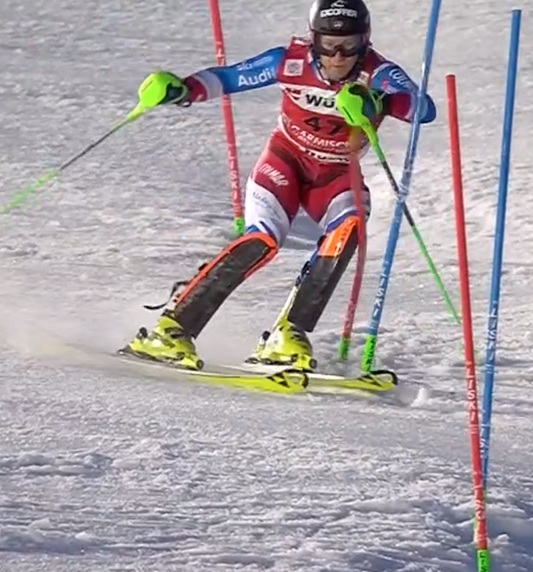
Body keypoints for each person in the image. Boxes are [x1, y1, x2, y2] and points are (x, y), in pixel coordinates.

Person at [122, 0, 436, 371]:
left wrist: (378, 101)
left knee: (350, 227)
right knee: (263, 239)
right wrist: (182, 91)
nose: (337, 57)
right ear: (312, 40)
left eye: (349, 46)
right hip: (285, 161)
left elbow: (423, 108)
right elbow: (228, 78)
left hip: (335, 173)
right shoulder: (289, 61)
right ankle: (171, 329)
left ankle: (289, 334)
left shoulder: (377, 73)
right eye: (327, 45)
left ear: (364, 42)